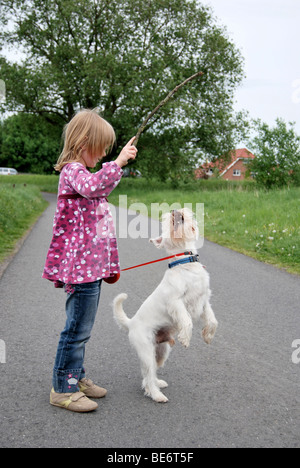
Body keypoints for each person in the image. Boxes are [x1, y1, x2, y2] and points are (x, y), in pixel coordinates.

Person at [42, 108, 137, 412]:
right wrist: (119, 162)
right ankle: (63, 388)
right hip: (80, 270)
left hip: (90, 267)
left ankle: (77, 376)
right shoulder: (73, 171)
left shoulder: (85, 174)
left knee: (83, 328)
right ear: (84, 141)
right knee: (76, 329)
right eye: (102, 147)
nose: (106, 153)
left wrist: (117, 164)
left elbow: (101, 186)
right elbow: (94, 186)